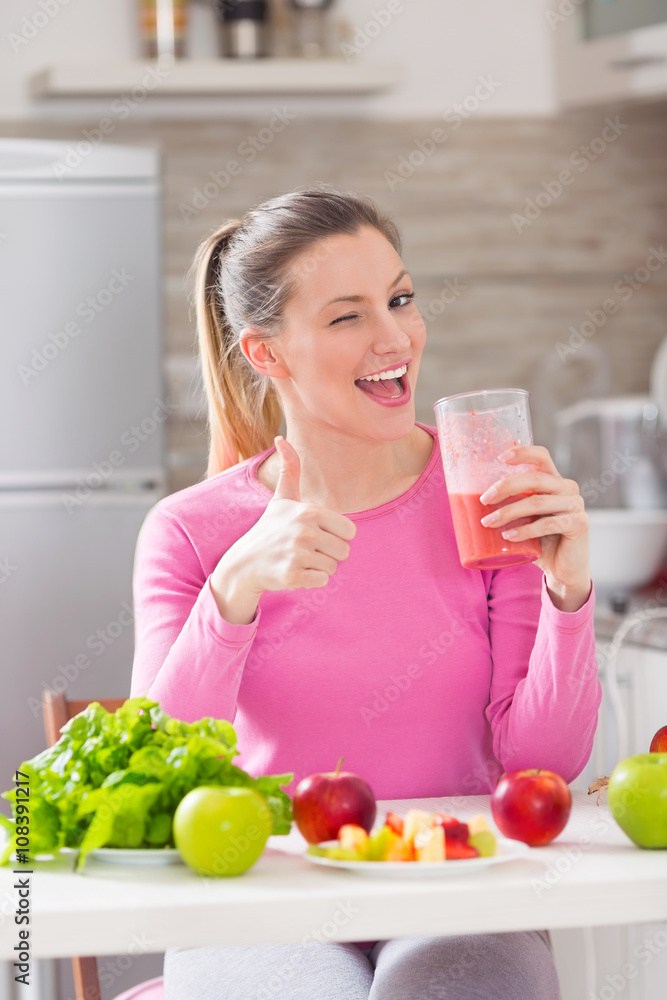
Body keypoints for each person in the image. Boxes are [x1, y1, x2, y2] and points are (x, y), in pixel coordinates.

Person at [130, 186, 600, 1000]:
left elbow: (543, 764)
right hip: (264, 893)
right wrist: (234, 591)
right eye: (347, 317)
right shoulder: (191, 532)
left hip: (460, 886)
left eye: (400, 299)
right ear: (267, 355)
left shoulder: (483, 498)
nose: (395, 339)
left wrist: (567, 589)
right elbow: (160, 770)